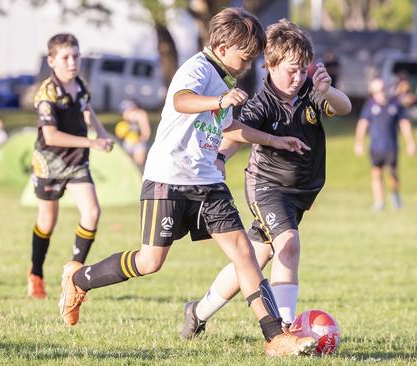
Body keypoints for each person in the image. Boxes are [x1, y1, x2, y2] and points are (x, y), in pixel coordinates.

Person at [57, 8, 318, 357]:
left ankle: (275, 337)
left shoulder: (227, 78)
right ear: (223, 46)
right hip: (168, 178)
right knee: (150, 262)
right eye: (245, 56)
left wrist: (274, 140)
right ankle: (78, 280)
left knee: (245, 254)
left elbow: (228, 127)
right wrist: (219, 100)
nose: (247, 65)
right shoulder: (197, 68)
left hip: (208, 181)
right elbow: (181, 101)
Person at [178, 19, 351, 338]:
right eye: (290, 70)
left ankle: (198, 312)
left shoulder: (311, 94)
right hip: (268, 188)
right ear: (270, 66)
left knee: (256, 256)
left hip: (299, 194)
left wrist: (328, 90)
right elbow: (235, 134)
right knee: (288, 245)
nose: (297, 78)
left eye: (303, 70)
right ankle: (286, 329)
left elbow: (344, 107)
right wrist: (219, 157)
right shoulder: (261, 105)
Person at [27, 33, 114, 299]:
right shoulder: (47, 94)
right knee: (47, 221)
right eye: (65, 57)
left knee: (92, 212)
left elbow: (88, 112)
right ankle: (36, 274)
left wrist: (101, 135)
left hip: (77, 162)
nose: (72, 62)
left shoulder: (81, 85)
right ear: (52, 61)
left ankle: (73, 276)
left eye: (76, 56)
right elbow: (51, 136)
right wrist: (91, 143)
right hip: (49, 163)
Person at [354, 78, 417, 210]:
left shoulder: (395, 105)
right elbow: (363, 124)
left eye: (382, 89)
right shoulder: (370, 106)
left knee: (393, 174)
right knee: (376, 174)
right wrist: (358, 143)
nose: (380, 93)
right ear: (373, 93)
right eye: (376, 91)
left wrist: (411, 142)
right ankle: (379, 202)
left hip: (391, 146)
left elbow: (404, 124)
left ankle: (395, 197)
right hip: (376, 147)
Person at [114, 99, 151, 170]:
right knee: (128, 165)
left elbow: (146, 132)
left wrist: (140, 139)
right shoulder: (126, 115)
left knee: (138, 164)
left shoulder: (141, 114)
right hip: (128, 142)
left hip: (139, 142)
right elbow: (120, 133)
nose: (125, 113)